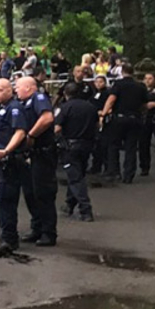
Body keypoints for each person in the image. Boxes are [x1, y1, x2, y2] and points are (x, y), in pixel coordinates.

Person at [0, 78, 30, 253]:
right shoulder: (3, 108)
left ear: (10, 90)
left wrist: (7, 150)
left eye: (0, 90)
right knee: (0, 200)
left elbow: (20, 132)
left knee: (6, 199)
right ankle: (5, 234)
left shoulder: (14, 108)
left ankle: (9, 238)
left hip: (9, 162)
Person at [14, 75, 59, 246]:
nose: (16, 89)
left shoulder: (38, 98)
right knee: (31, 193)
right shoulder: (24, 103)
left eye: (18, 86)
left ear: (29, 88)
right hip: (31, 154)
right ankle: (37, 228)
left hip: (42, 152)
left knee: (43, 193)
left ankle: (48, 232)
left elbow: (47, 118)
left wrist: (31, 135)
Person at [52, 81, 98, 221]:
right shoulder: (90, 107)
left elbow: (57, 128)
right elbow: (97, 124)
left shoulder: (65, 107)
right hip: (87, 144)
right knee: (78, 174)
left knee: (75, 178)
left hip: (70, 146)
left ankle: (85, 209)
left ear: (65, 94)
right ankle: (69, 203)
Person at [100, 61, 147, 183]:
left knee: (113, 145)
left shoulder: (118, 84)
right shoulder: (140, 86)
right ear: (133, 72)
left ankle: (114, 172)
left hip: (119, 118)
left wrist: (104, 113)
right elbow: (144, 105)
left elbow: (111, 99)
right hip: (135, 118)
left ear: (122, 72)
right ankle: (129, 175)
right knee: (131, 147)